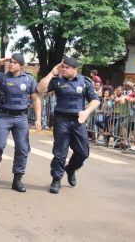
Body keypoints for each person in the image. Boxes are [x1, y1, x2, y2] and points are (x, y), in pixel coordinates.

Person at [0, 53, 41, 192]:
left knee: (22, 149)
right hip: (4, 116)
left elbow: (36, 99)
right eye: (10, 62)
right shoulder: (2, 77)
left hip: (21, 118)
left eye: (14, 62)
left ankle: (17, 179)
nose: (11, 64)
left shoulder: (29, 79)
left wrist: (38, 119)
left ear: (21, 65)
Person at [37, 58, 99, 194]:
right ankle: (56, 179)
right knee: (60, 152)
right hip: (61, 120)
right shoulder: (58, 80)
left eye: (66, 67)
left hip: (78, 121)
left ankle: (71, 168)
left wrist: (86, 112)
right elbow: (40, 89)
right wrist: (52, 73)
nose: (63, 69)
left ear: (75, 69)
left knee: (83, 152)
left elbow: (95, 100)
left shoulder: (85, 82)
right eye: (62, 67)